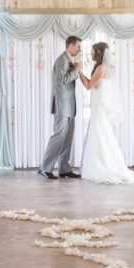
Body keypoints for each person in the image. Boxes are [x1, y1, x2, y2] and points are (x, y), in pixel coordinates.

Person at [75, 42, 134, 185]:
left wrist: (78, 71)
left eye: (93, 52)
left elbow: (89, 85)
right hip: (100, 105)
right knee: (103, 133)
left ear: (99, 53)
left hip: (98, 106)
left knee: (99, 133)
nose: (91, 54)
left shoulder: (101, 67)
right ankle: (107, 162)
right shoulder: (109, 68)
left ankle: (101, 165)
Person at [38, 35, 82, 179]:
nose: (80, 49)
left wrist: (74, 69)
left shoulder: (69, 60)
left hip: (69, 107)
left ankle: (64, 168)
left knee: (67, 139)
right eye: (78, 46)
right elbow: (60, 80)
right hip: (62, 107)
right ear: (70, 46)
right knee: (58, 137)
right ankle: (45, 168)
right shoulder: (62, 60)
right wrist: (76, 72)